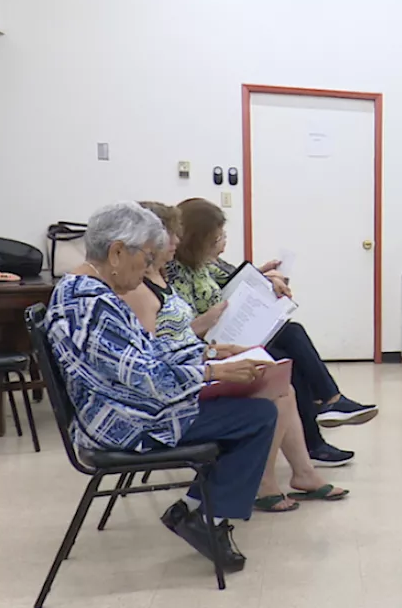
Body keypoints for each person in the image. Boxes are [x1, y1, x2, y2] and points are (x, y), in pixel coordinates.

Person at [45, 202, 277, 570]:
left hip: (119, 411)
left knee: (249, 410)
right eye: (147, 257)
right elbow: (150, 378)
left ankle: (195, 511)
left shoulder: (81, 290)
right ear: (118, 252)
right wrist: (215, 373)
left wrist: (207, 355)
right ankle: (204, 517)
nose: (147, 271)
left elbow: (145, 355)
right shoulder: (93, 305)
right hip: (122, 425)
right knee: (258, 415)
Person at [125, 202, 348, 512]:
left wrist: (214, 352)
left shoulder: (166, 275)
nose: (175, 242)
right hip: (182, 385)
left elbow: (175, 340)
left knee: (282, 370)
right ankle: (270, 480)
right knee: (275, 388)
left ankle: (303, 471)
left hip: (201, 356)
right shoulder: (145, 286)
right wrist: (211, 357)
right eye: (171, 235)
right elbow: (154, 358)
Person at [166, 198, 376, 468]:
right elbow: (177, 329)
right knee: (282, 360)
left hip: (233, 332)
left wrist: (265, 278)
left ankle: (328, 407)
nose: (221, 243)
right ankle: (321, 425)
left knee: (291, 334)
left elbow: (238, 276)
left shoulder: (207, 262)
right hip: (211, 345)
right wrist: (205, 321)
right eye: (215, 238)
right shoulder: (173, 271)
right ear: (196, 239)